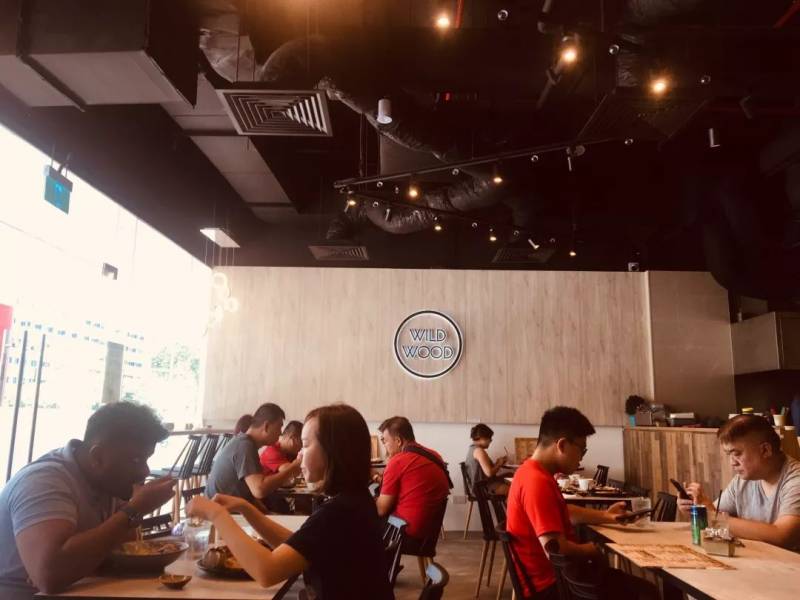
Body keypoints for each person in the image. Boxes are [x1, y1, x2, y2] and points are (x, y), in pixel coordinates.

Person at [187, 404, 393, 600]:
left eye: (306, 445)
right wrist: (246, 508)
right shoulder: (354, 499)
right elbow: (298, 543)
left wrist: (217, 514)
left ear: (333, 451)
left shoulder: (339, 512)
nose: (299, 454)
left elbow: (267, 571)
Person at [0, 402, 176, 599]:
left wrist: (79, 559)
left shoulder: (109, 481)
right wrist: (133, 511)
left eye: (146, 459)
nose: (145, 471)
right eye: (135, 460)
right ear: (97, 456)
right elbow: (49, 576)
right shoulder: (44, 481)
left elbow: (122, 553)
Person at [506, 406, 653, 600]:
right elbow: (554, 548)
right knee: (646, 593)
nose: (582, 458)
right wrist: (594, 550)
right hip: (552, 587)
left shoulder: (530, 472)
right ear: (562, 445)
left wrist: (606, 516)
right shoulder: (536, 482)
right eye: (582, 450)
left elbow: (563, 511)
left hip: (559, 578)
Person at [678, 414, 800, 549]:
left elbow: (783, 536)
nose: (732, 462)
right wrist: (697, 507)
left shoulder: (796, 481)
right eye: (729, 454)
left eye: (737, 454)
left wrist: (712, 516)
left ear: (765, 450)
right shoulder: (742, 480)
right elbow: (714, 516)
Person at [206, 403, 300, 511]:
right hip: (218, 515)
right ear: (266, 426)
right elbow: (259, 490)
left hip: (226, 512)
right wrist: (291, 469)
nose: (280, 433)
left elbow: (250, 493)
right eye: (279, 427)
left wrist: (265, 513)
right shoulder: (245, 446)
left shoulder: (245, 443)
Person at [376, 416, 450, 549]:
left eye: (385, 441)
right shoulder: (434, 455)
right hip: (428, 535)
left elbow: (381, 509)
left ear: (398, 441)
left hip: (405, 533)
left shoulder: (398, 461)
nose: (385, 446)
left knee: (356, 523)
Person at [466, 423, 509, 496]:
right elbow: (489, 473)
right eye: (490, 438)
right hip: (483, 487)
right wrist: (499, 464)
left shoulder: (473, 448)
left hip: (483, 484)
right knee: (515, 490)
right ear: (482, 438)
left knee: (510, 476)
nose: (491, 441)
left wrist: (497, 463)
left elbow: (486, 470)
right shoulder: (479, 451)